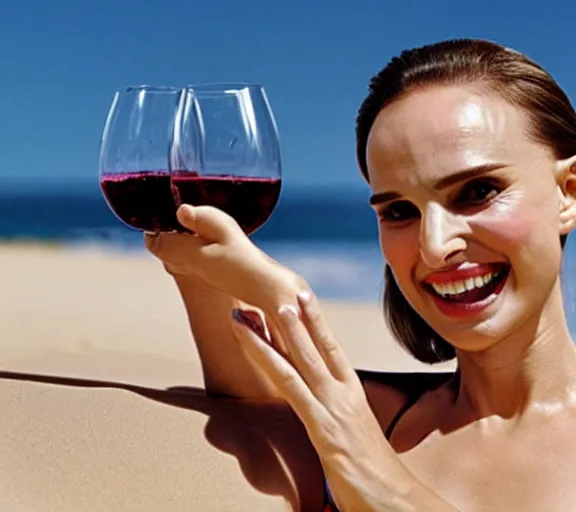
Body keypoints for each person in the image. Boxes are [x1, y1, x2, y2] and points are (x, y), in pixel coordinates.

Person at [146, 38, 576, 511]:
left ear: (568, 193)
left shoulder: (360, 436)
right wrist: (215, 269)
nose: (434, 247)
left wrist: (382, 483)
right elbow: (248, 397)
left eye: (477, 191)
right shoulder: (368, 414)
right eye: (398, 211)